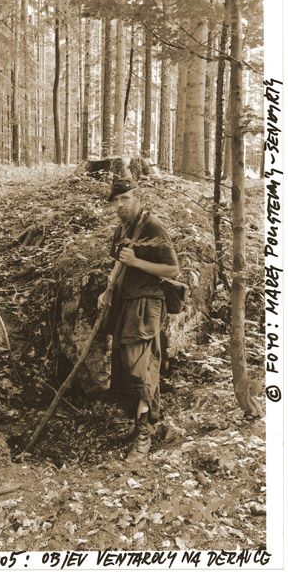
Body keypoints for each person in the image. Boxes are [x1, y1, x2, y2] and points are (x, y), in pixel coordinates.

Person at [98, 178, 179, 463]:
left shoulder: (153, 226)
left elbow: (172, 269)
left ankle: (145, 434)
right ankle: (138, 423)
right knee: (123, 365)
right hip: (124, 302)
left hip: (147, 304)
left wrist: (137, 262)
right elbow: (118, 261)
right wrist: (107, 289)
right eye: (116, 201)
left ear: (137, 197)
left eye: (126, 199)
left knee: (141, 366)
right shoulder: (122, 228)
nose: (120, 205)